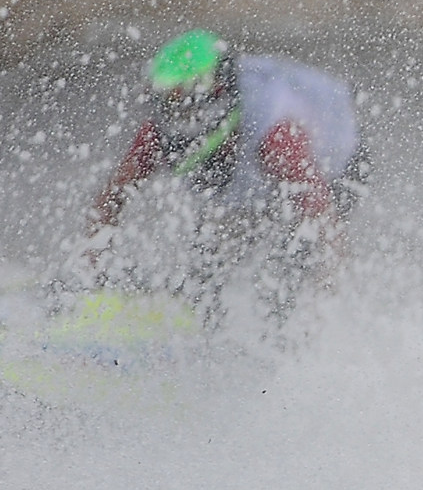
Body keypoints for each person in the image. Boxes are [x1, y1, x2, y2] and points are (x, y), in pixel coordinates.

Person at [78, 29, 366, 325]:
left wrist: (325, 303)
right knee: (209, 257)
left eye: (181, 102)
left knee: (291, 265)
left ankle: (285, 331)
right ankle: (207, 321)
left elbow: (325, 226)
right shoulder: (159, 131)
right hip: (254, 169)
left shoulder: (278, 137)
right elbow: (112, 197)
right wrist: (90, 272)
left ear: (216, 91)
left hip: (336, 170)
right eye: (166, 102)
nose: (173, 117)